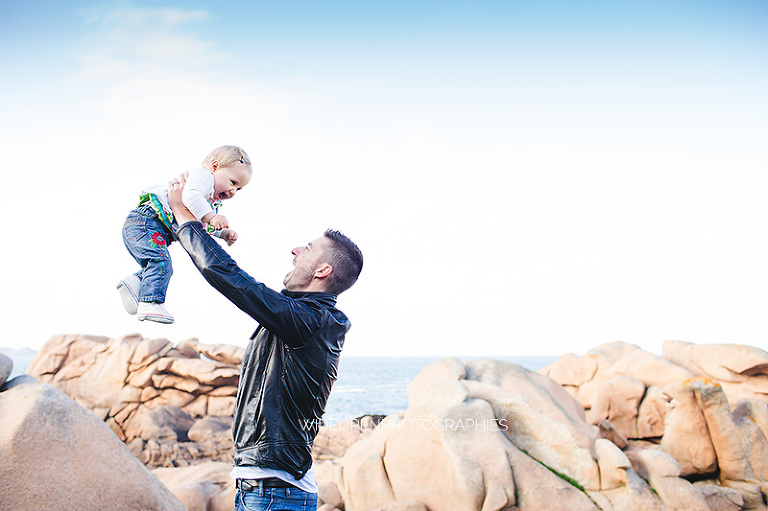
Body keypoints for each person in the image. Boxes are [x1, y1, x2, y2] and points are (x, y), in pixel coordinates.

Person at [167, 174, 363, 511]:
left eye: (309, 248)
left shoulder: (309, 322)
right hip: (264, 489)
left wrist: (184, 217)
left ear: (322, 271)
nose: (296, 249)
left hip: (275, 493)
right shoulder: (304, 318)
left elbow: (231, 279)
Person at [117, 145, 252, 324]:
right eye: (233, 182)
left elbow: (202, 223)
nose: (233, 191)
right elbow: (191, 197)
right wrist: (212, 216)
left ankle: (135, 283)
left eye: (239, 189)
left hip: (151, 227)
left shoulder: (207, 200)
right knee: (161, 261)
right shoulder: (202, 177)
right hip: (145, 222)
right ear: (214, 167)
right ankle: (150, 302)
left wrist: (223, 232)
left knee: (161, 264)